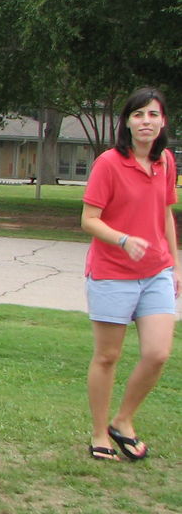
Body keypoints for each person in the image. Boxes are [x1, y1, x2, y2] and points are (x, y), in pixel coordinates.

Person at [81, 87, 178, 462]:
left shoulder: (166, 161)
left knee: (157, 353)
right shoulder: (109, 163)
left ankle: (124, 421)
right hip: (111, 273)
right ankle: (100, 432)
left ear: (163, 121)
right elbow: (88, 220)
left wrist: (175, 263)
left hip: (156, 273)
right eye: (138, 115)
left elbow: (166, 212)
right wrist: (123, 239)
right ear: (127, 122)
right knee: (108, 356)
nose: (146, 122)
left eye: (153, 115)